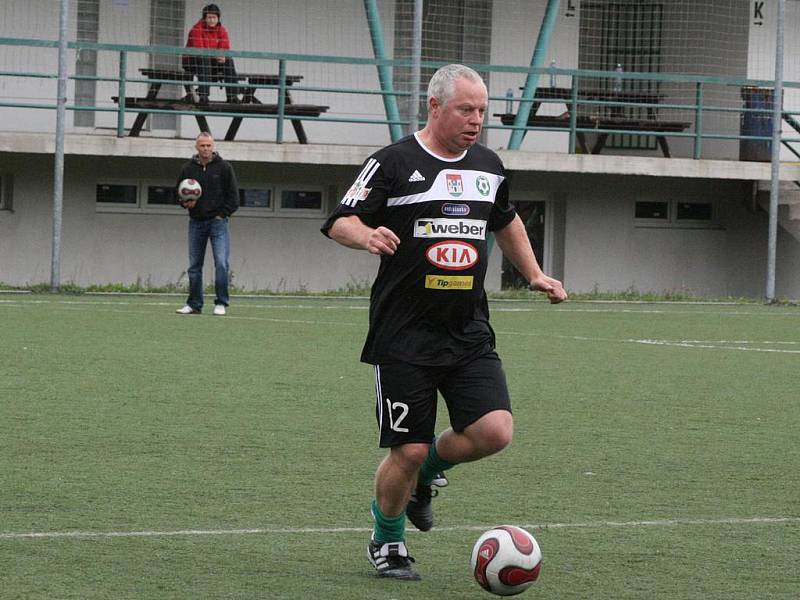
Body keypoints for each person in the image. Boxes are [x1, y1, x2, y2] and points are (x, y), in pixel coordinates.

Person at [320, 64, 567, 581]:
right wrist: (366, 236)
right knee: (405, 448)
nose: (476, 121)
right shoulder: (393, 161)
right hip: (404, 333)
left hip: (468, 331)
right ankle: (387, 540)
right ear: (435, 107)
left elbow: (506, 220)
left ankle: (428, 476)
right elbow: (340, 219)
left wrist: (536, 274)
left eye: (482, 111)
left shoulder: (488, 165)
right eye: (466, 110)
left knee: (495, 432)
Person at [175, 132, 239, 316]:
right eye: (202, 145)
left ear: (213, 147)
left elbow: (234, 198)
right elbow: (177, 193)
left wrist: (222, 215)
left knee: (221, 263)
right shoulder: (187, 169)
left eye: (208, 146)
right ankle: (194, 304)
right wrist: (185, 203)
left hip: (218, 223)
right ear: (196, 147)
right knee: (195, 266)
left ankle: (221, 303)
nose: (205, 149)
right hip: (196, 222)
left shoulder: (225, 168)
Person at [182, 3, 239, 104]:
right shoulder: (196, 29)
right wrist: (216, 55)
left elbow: (224, 46)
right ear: (204, 18)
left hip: (211, 60)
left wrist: (223, 56)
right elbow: (199, 50)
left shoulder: (222, 30)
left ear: (218, 18)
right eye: (209, 17)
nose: (212, 20)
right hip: (192, 60)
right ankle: (204, 96)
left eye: (214, 17)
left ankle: (232, 96)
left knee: (229, 61)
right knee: (204, 59)